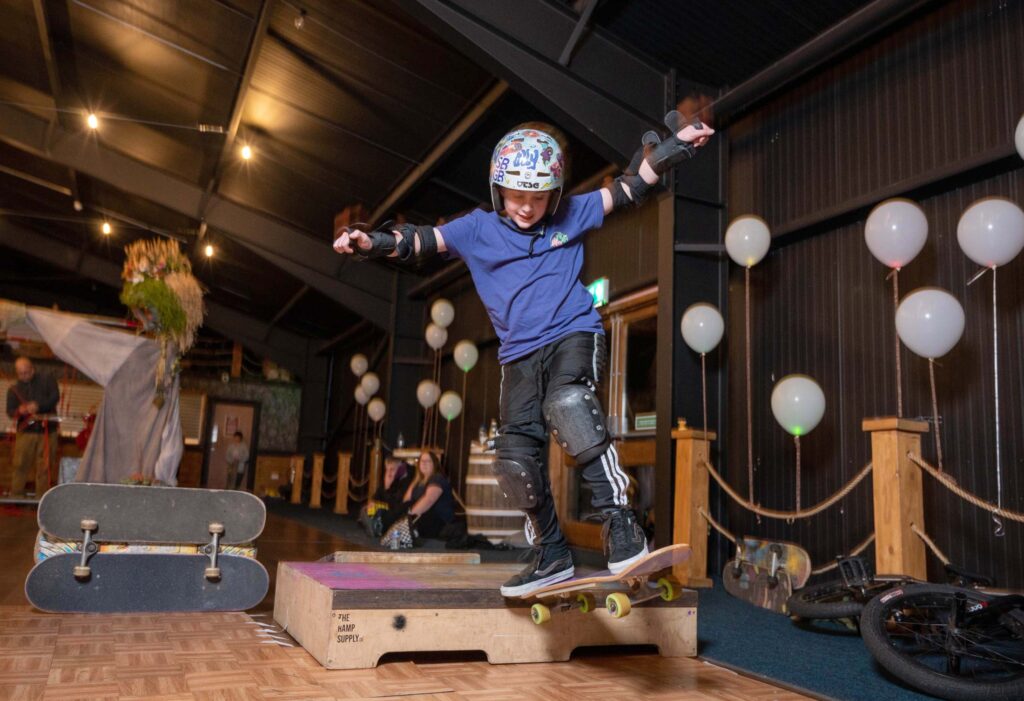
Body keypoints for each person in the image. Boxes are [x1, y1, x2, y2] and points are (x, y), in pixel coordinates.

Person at [334, 114, 714, 595]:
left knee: (568, 405)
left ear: (553, 195)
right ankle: (552, 552)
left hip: (573, 332)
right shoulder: (476, 229)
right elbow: (423, 241)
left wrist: (671, 150)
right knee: (514, 457)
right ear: (498, 191)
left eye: (538, 198)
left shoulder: (571, 213)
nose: (528, 208)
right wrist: (373, 242)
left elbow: (629, 188)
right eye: (517, 197)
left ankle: (623, 526)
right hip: (518, 355)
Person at [5, 356, 59, 497]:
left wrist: (38, 406)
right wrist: (19, 411)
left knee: (45, 467)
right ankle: (16, 496)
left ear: (32, 369)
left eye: (27, 372)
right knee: (20, 464)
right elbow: (10, 411)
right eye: (21, 374)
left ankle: (41, 499)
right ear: (17, 373)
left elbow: (54, 397)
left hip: (48, 431)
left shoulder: (48, 380)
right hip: (26, 431)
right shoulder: (14, 389)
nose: (24, 376)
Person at [379, 450, 456, 540]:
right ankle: (381, 524)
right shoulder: (418, 480)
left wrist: (408, 516)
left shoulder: (437, 478)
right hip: (420, 514)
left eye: (428, 461)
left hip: (438, 519)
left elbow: (428, 500)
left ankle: (384, 526)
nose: (424, 463)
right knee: (402, 507)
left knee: (408, 512)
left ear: (434, 464)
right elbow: (406, 500)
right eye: (422, 461)